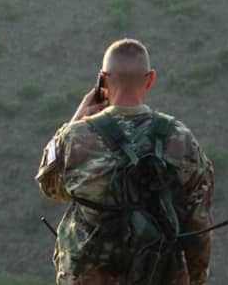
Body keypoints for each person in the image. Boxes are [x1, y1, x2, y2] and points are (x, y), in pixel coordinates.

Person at [36, 39, 214, 285]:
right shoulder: (181, 139)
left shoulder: (76, 137)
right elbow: (197, 221)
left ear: (103, 80)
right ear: (150, 79)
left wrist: (77, 118)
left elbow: (49, 184)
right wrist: (196, 277)